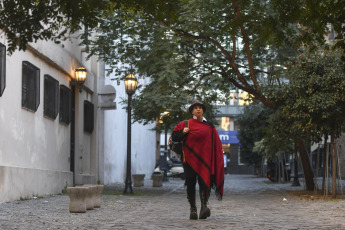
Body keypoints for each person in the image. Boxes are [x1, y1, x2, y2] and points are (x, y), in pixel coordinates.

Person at [172, 100, 224, 220]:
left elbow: (215, 142)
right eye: (195, 108)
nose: (198, 109)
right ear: (192, 111)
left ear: (203, 110)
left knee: (204, 182)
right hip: (189, 160)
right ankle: (193, 209)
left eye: (200, 107)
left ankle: (204, 207)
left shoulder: (209, 125)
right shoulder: (186, 123)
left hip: (205, 160)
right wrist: (182, 132)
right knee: (190, 183)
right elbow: (174, 137)